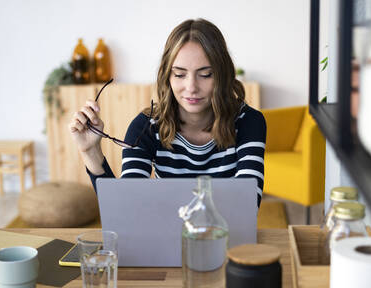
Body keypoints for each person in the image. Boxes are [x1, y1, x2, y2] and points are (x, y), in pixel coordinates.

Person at [68, 18, 266, 205]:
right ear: (167, 77)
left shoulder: (249, 122)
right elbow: (127, 207)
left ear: (222, 75)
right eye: (180, 74)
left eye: (206, 74)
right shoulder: (145, 126)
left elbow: (247, 204)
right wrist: (90, 152)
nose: (191, 87)